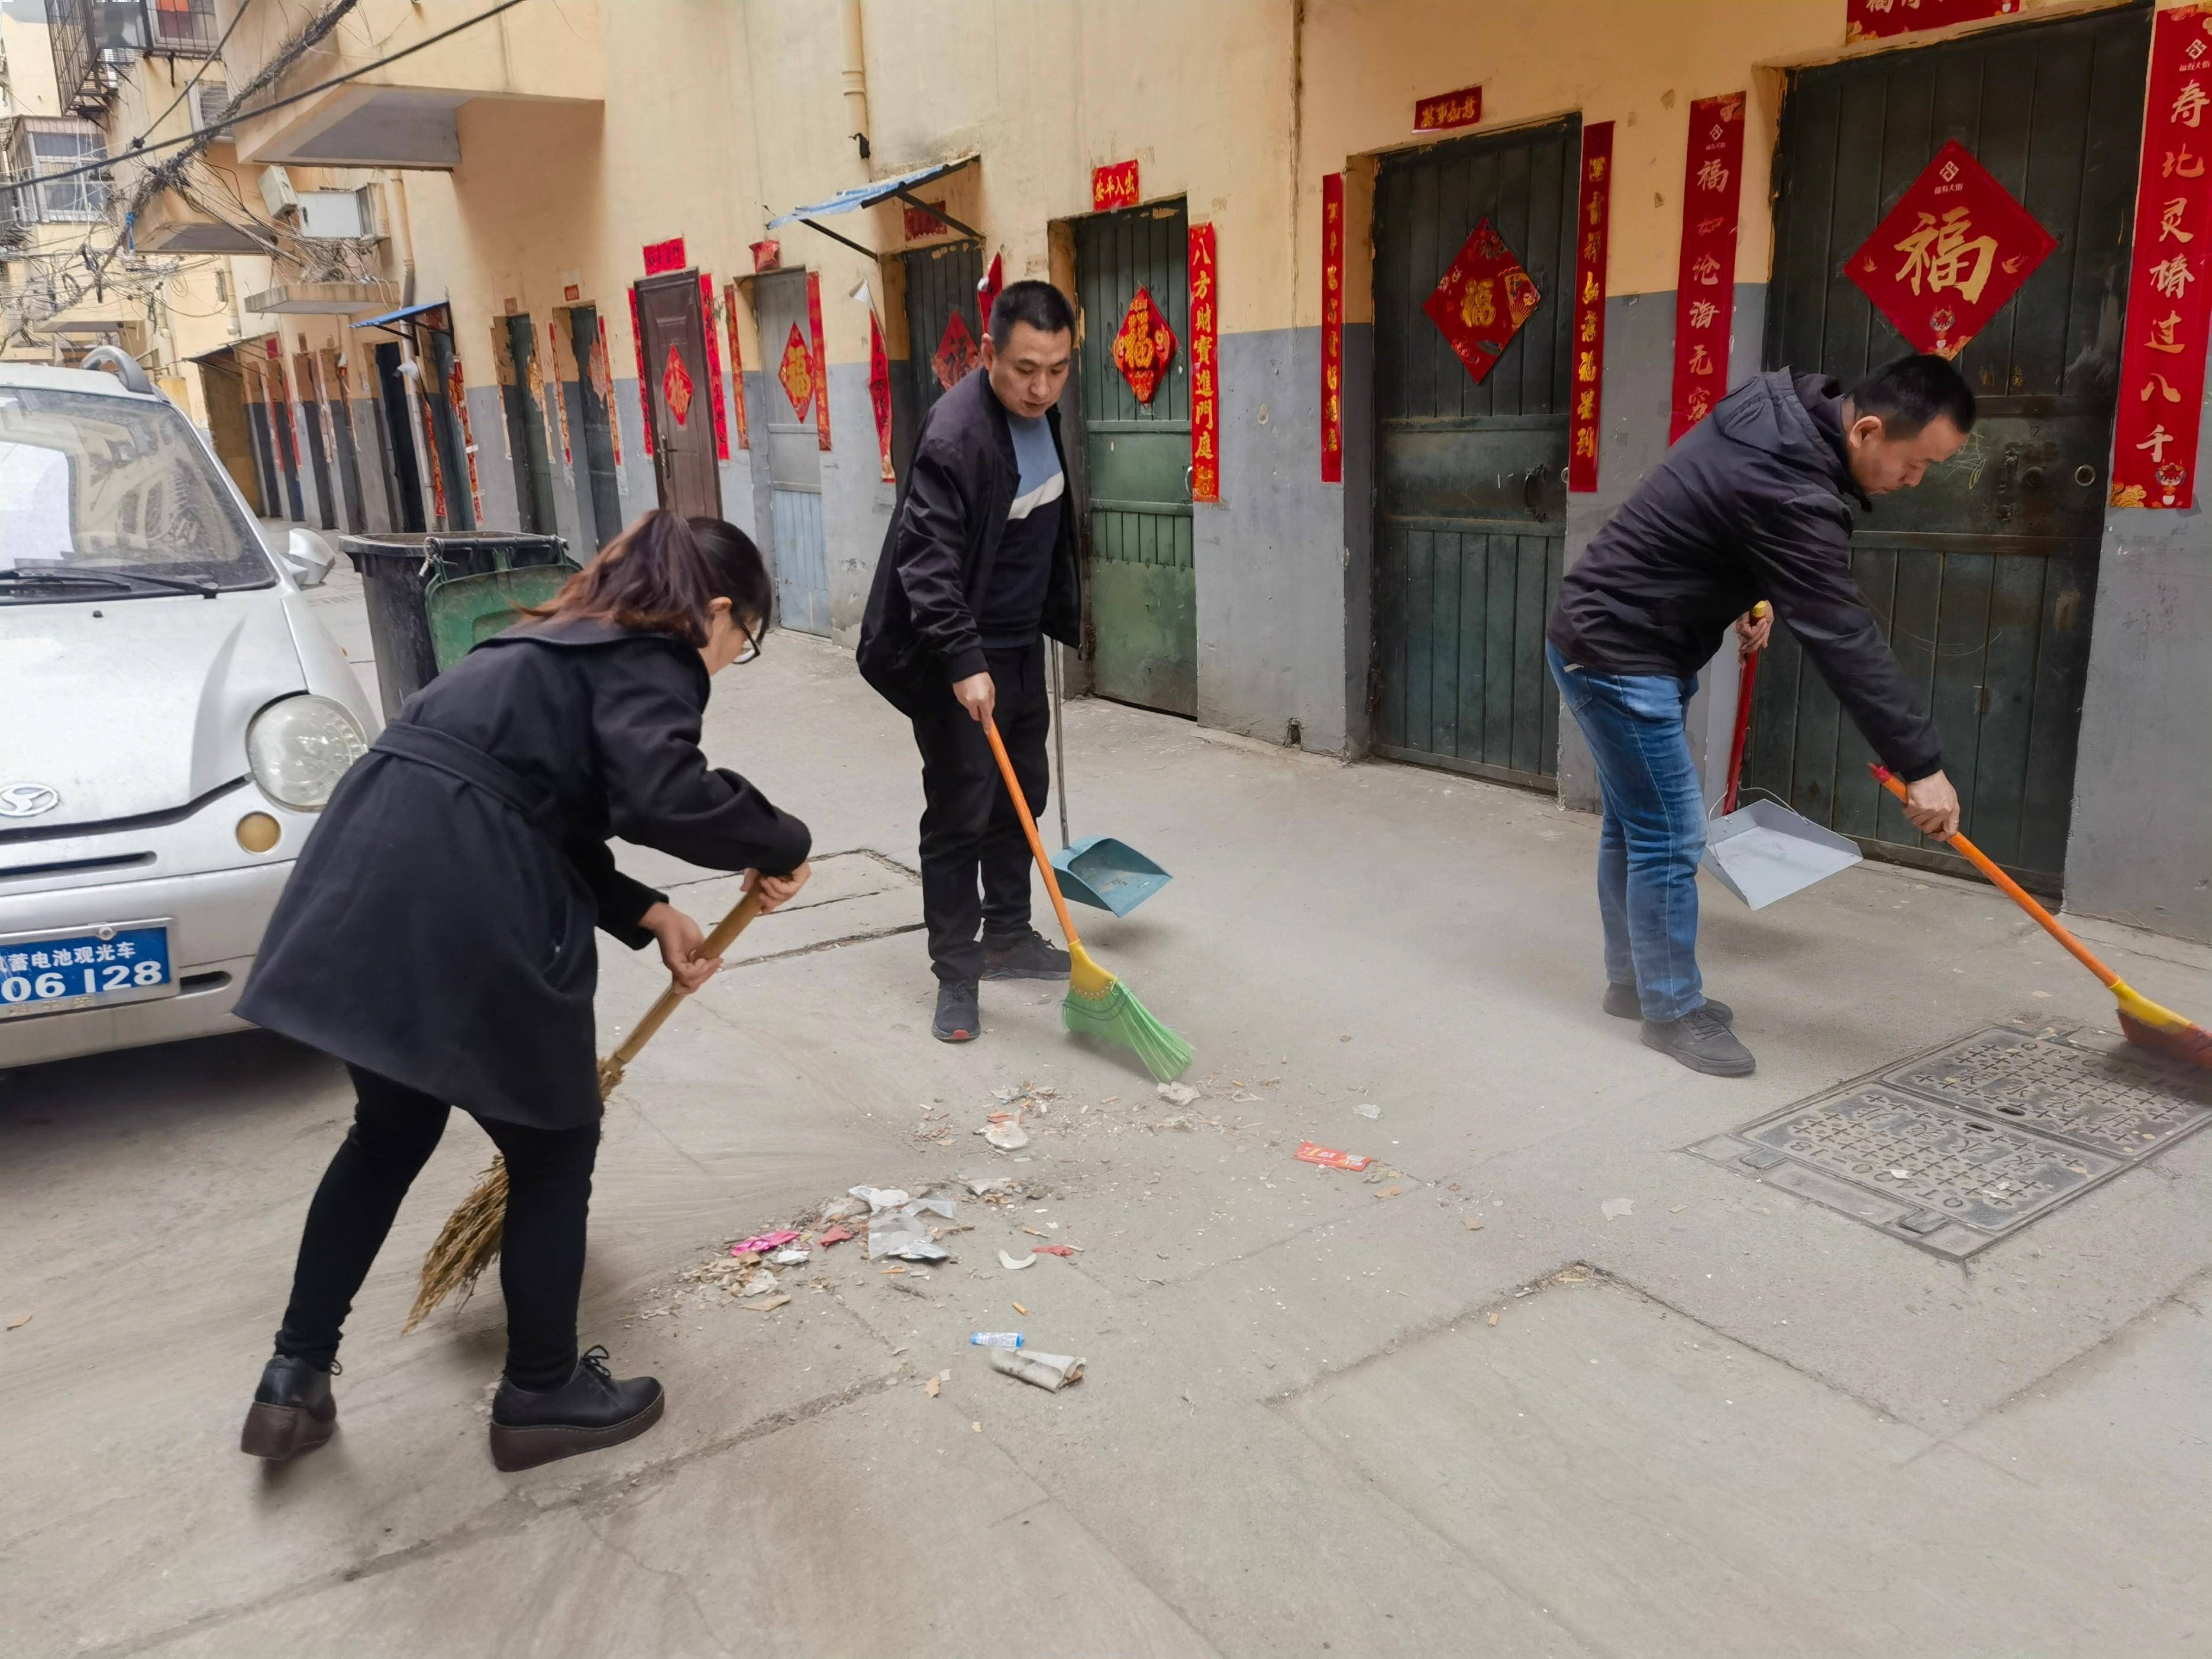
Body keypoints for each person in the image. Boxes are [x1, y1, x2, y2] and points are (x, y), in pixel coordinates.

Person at [235, 511, 813, 1471]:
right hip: (463, 887)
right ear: (715, 610)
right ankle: (542, 1390)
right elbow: (660, 788)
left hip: (368, 875)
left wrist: (644, 911)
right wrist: (779, 838)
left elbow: (532, 801)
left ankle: (292, 1375)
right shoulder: (652, 653)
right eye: (737, 642)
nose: (720, 662)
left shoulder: (541, 644)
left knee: (387, 1132)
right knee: (553, 1147)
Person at [1545, 352, 1971, 1079]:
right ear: (1866, 429)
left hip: (1626, 637)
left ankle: (1637, 984)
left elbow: (1706, 508)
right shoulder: (1788, 481)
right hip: (1619, 653)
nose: (1913, 481)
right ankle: (1671, 1010)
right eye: (1915, 463)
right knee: (1669, 832)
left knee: (1635, 823)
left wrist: (1755, 590)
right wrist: (1920, 765)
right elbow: (1841, 634)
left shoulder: (1777, 416)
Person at [857, 279, 1083, 1044]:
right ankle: (956, 975)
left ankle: (1009, 933)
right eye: (1024, 368)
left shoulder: (1046, 414)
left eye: (1055, 368)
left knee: (1021, 793)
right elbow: (925, 561)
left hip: (1016, 646)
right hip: (951, 651)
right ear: (988, 353)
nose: (1040, 386)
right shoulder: (956, 435)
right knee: (959, 811)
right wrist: (961, 657)